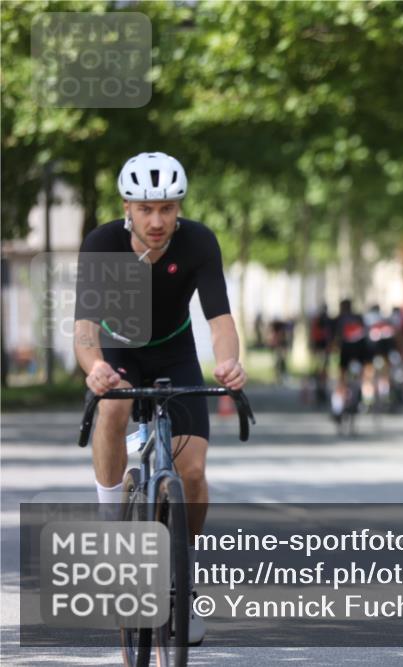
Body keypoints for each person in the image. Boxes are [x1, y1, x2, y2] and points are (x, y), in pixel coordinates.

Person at [73, 151, 246, 645]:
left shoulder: (198, 242)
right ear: (127, 205)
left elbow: (220, 321)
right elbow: (84, 329)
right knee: (116, 405)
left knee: (192, 470)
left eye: (167, 208)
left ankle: (182, 576)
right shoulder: (102, 244)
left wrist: (229, 362)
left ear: (179, 207)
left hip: (174, 353)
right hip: (118, 350)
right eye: (145, 208)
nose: (156, 220)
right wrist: (96, 368)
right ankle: (113, 524)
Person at [329, 298, 371, 420]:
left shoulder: (339, 320)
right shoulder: (359, 318)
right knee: (362, 376)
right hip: (360, 351)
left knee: (341, 380)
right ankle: (363, 398)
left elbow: (335, 339)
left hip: (346, 350)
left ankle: (337, 409)